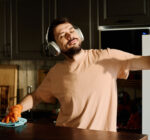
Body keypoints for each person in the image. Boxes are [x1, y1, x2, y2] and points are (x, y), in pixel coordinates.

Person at [2, 17, 150, 132]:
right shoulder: (56, 72)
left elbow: (143, 61)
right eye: (62, 35)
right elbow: (37, 96)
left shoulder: (107, 57)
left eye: (71, 30)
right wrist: (19, 107)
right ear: (55, 47)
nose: (69, 35)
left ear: (78, 34)